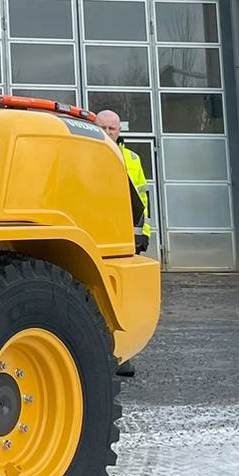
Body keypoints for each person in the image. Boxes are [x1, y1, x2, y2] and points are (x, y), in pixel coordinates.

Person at [95, 108, 150, 378]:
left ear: (119, 131)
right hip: (96, 238)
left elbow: (141, 200)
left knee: (122, 303)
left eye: (112, 129)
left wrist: (143, 234)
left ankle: (120, 355)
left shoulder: (132, 159)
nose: (107, 133)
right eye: (103, 128)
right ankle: (101, 355)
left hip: (124, 241)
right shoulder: (85, 154)